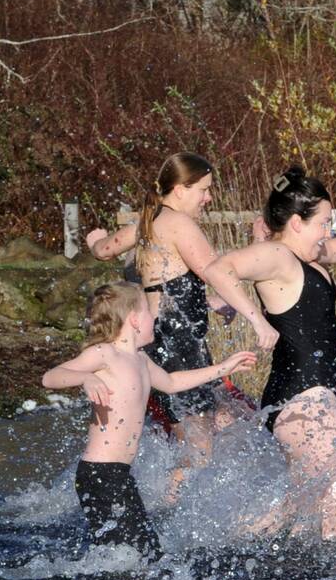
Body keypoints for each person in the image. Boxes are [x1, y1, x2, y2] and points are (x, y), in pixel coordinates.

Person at [203, 167, 336, 541]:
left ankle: (230, 545)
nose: (328, 231)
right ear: (297, 223)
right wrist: (257, 321)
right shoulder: (278, 256)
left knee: (306, 502)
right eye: (324, 222)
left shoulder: (311, 254)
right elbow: (220, 268)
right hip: (300, 397)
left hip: (314, 396)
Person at [40, 282, 257, 552]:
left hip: (119, 474)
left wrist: (223, 368)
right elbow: (51, 377)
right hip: (100, 474)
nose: (153, 318)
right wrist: (84, 378)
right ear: (133, 319)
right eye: (147, 311)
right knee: (133, 558)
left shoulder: (141, 360)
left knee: (141, 554)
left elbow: (173, 382)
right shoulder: (104, 353)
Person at [83, 153, 236, 499]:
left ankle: (168, 501)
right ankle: (171, 512)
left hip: (162, 341)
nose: (209, 198)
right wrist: (253, 314)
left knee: (215, 425)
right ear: (181, 190)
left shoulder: (148, 223)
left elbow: (107, 251)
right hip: (175, 345)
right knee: (198, 446)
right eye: (204, 189)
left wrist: (95, 240)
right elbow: (211, 272)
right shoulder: (178, 225)